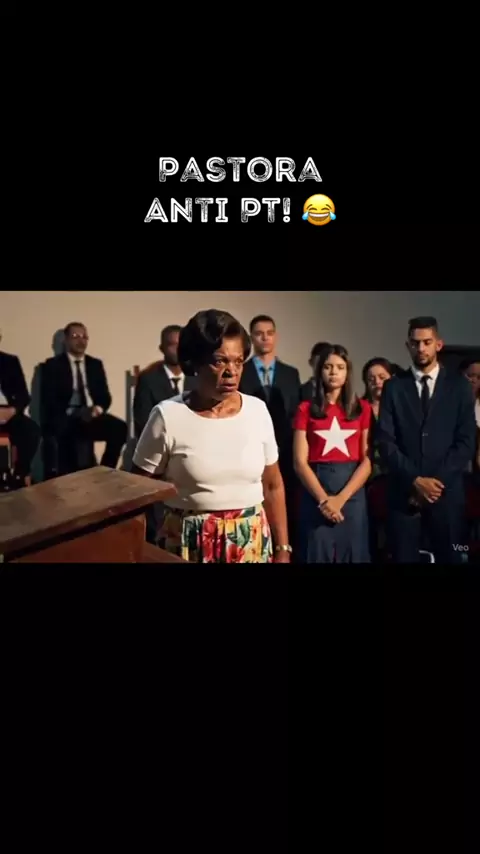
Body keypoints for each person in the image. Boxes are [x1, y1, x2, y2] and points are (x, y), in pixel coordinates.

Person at [132, 309, 291, 564]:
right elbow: (136, 492)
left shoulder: (258, 411)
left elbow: (273, 485)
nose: (231, 372)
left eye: (238, 362)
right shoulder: (168, 416)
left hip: (250, 544)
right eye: (220, 361)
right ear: (195, 363)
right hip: (188, 543)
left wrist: (283, 549)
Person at [377, 316, 476, 563]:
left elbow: (466, 442)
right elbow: (386, 441)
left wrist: (435, 484)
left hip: (447, 497)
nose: (421, 348)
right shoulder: (393, 387)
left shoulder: (460, 387)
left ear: (438, 344)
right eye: (415, 343)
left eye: (427, 342)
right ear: (407, 346)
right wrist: (415, 481)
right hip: (404, 497)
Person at [293, 344, 372, 563]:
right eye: (328, 367)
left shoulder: (362, 408)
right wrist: (324, 501)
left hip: (352, 494)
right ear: (319, 371)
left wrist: (340, 499)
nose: (334, 372)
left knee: (354, 553)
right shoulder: (305, 409)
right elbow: (299, 462)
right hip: (317, 491)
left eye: (340, 367)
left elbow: (367, 461)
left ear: (348, 372)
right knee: (316, 552)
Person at [239, 314, 301, 545]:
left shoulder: (291, 373)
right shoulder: (241, 371)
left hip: (284, 452)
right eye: (259, 333)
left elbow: (295, 414)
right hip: (250, 450)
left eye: (269, 333)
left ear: (275, 336)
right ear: (251, 338)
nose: (265, 338)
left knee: (285, 505)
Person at [42, 322, 127, 476]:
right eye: (75, 336)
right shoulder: (53, 365)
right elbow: (49, 400)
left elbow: (105, 397)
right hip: (67, 415)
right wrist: (73, 412)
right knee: (73, 432)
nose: (81, 341)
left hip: (91, 414)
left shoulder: (95, 364)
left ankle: (105, 473)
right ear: (66, 340)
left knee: (120, 428)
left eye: (84, 337)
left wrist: (97, 409)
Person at [133, 324, 196, 439]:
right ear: (162, 348)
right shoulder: (148, 379)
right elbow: (143, 421)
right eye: (172, 345)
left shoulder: (196, 377)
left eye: (181, 345)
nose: (177, 350)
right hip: (160, 441)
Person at [361, 357, 395, 561]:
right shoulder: (359, 408)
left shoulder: (401, 406)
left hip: (394, 478)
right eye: (371, 379)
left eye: (382, 377)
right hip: (366, 479)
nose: (377, 382)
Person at [0, 346, 41, 483]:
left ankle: (19, 475)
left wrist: (12, 411)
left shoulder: (10, 361)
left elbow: (24, 396)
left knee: (31, 430)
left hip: (8, 412)